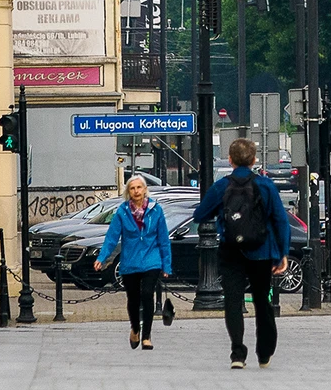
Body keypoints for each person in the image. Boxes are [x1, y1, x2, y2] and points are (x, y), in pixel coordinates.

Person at [193, 138, 291, 369]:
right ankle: (264, 352)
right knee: (261, 302)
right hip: (261, 251)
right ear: (254, 159)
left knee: (233, 302)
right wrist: (282, 253)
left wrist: (222, 216)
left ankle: (238, 353)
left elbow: (199, 215)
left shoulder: (221, 186)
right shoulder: (265, 186)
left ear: (230, 160)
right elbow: (280, 221)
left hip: (231, 250)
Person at [95, 174, 172, 349]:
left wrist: (166, 265)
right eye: (132, 188)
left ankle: (147, 336)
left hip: (151, 260)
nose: (136, 191)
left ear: (145, 189)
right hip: (130, 262)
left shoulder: (156, 210)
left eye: (139, 187)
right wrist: (102, 257)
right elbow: (111, 238)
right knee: (133, 298)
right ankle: (135, 329)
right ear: (128, 192)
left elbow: (164, 239)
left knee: (147, 294)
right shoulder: (122, 212)